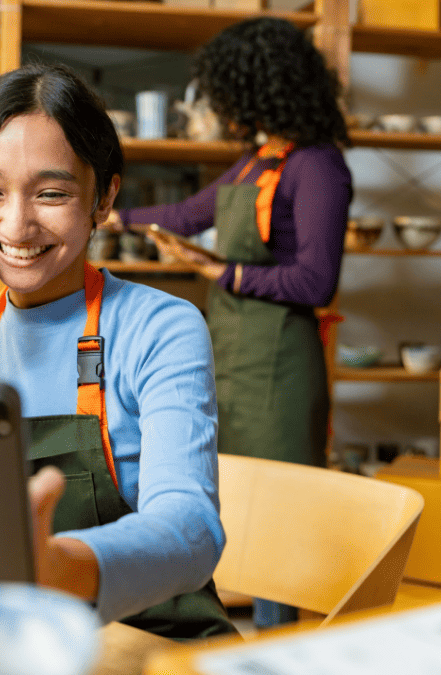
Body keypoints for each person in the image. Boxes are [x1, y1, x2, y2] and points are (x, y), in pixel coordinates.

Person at [0, 63, 237, 641]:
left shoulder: (159, 326)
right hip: (15, 642)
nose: (17, 225)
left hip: (153, 643)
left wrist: (58, 569)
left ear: (104, 197)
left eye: (51, 193)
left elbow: (191, 529)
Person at [107, 17, 353, 627]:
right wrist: (113, 214)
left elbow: (316, 282)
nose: (219, 107)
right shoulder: (255, 162)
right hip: (235, 355)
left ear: (255, 87)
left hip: (281, 366)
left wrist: (222, 273)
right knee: (236, 503)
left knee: (280, 524)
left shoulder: (317, 167)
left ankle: (277, 645)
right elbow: (189, 214)